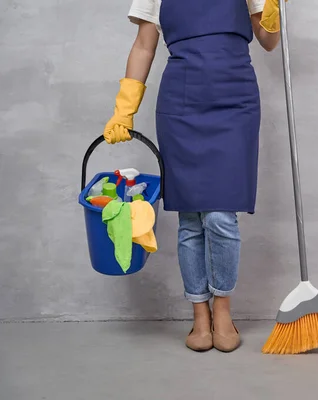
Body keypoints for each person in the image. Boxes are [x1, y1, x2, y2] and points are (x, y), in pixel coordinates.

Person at [102, 0, 284, 353]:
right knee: (190, 218)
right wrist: (124, 108)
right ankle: (200, 315)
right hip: (181, 102)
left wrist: (274, 7)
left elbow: (268, 40)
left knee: (221, 216)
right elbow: (144, 44)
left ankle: (223, 311)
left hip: (236, 99)